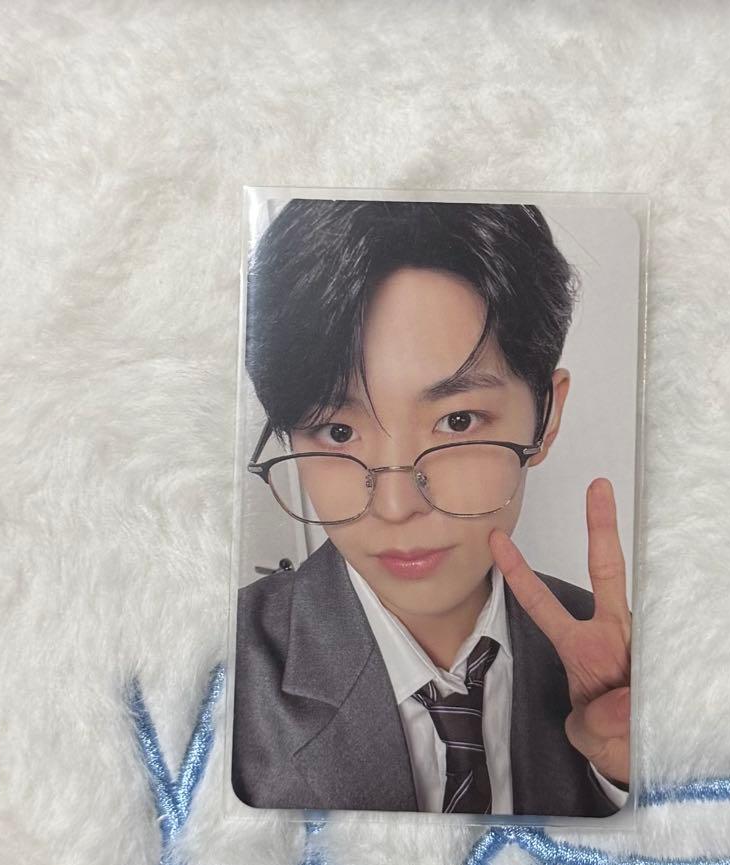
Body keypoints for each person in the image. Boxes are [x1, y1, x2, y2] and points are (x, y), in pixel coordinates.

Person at [231, 199, 631, 817]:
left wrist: (637, 781)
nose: (395, 506)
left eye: (458, 421)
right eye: (338, 432)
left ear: (546, 417)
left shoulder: (637, 665)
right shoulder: (216, 669)